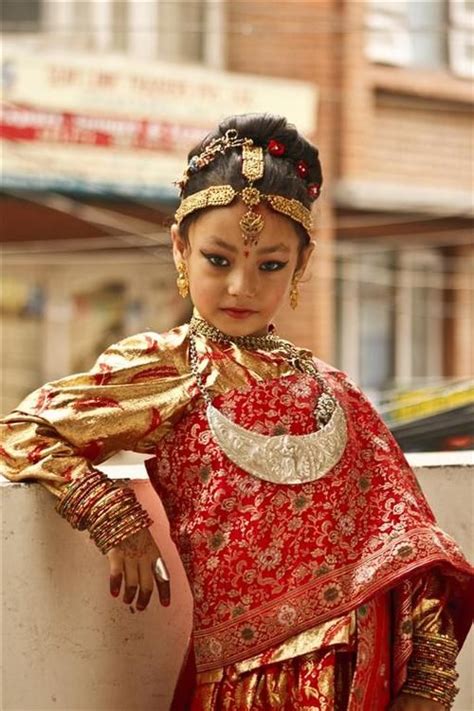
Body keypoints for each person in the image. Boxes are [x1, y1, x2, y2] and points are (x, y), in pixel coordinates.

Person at [1, 113, 473, 711]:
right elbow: (24, 431)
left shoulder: (335, 391)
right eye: (218, 260)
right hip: (247, 688)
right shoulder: (162, 368)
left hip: (363, 679)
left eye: (270, 265)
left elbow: (413, 551)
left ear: (301, 265)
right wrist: (112, 516)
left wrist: (429, 682)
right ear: (181, 248)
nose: (241, 288)